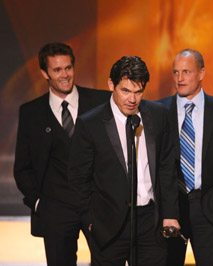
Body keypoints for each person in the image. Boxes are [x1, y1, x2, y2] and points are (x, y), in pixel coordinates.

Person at [68, 56, 179, 265]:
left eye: (138, 92)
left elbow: (166, 168)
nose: (132, 99)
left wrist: (170, 214)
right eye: (125, 91)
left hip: (150, 222)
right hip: (108, 224)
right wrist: (90, 222)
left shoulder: (158, 115)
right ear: (111, 85)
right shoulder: (90, 123)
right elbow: (78, 178)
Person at [13, 42, 110, 266]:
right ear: (44, 73)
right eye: (57, 70)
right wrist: (39, 204)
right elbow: (23, 168)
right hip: (55, 211)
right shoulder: (31, 113)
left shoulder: (101, 102)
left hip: (98, 206)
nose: (65, 75)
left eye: (68, 68)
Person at [158, 49, 213, 266]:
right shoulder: (158, 110)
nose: (179, 78)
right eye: (175, 72)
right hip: (171, 209)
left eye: (186, 72)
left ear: (202, 73)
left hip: (211, 209)